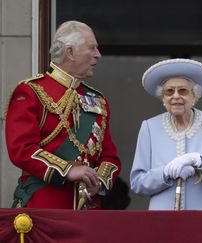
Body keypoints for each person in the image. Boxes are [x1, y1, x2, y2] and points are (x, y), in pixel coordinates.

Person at [5, 20, 121, 209]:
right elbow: (21, 149)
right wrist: (67, 170)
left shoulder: (98, 101)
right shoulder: (31, 91)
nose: (98, 55)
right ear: (70, 52)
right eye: (92, 48)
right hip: (44, 206)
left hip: (88, 210)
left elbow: (110, 157)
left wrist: (98, 181)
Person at [130, 58, 202, 210]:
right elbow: (137, 183)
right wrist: (165, 173)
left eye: (183, 91)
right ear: (163, 98)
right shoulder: (149, 127)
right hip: (162, 222)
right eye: (169, 91)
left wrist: (201, 162)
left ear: (194, 96)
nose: (175, 96)